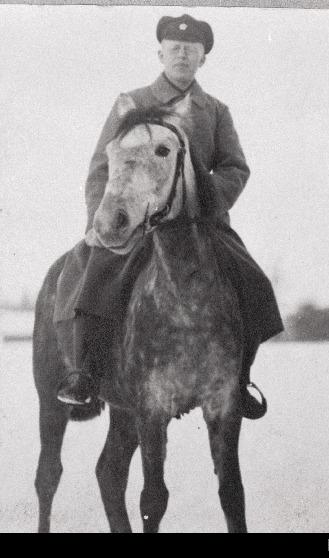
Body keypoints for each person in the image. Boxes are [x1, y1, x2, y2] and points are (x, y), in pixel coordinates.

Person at [54, 14, 283, 419]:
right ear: (160, 53)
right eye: (175, 48)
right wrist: (102, 219)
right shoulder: (133, 103)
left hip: (197, 224)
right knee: (97, 274)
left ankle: (240, 375)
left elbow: (235, 167)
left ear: (203, 59)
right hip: (135, 224)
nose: (182, 54)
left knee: (253, 282)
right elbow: (100, 167)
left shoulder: (215, 110)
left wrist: (204, 200)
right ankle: (86, 375)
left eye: (191, 50)